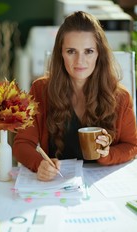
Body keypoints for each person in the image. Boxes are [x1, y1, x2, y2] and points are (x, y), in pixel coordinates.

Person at [13, 11, 137, 181]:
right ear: (61, 54)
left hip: (103, 187)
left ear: (99, 54)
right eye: (71, 51)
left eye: (88, 51)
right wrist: (39, 163)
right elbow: (22, 144)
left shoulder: (120, 96)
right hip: (56, 185)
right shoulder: (41, 90)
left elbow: (131, 146)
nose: (80, 61)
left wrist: (108, 155)